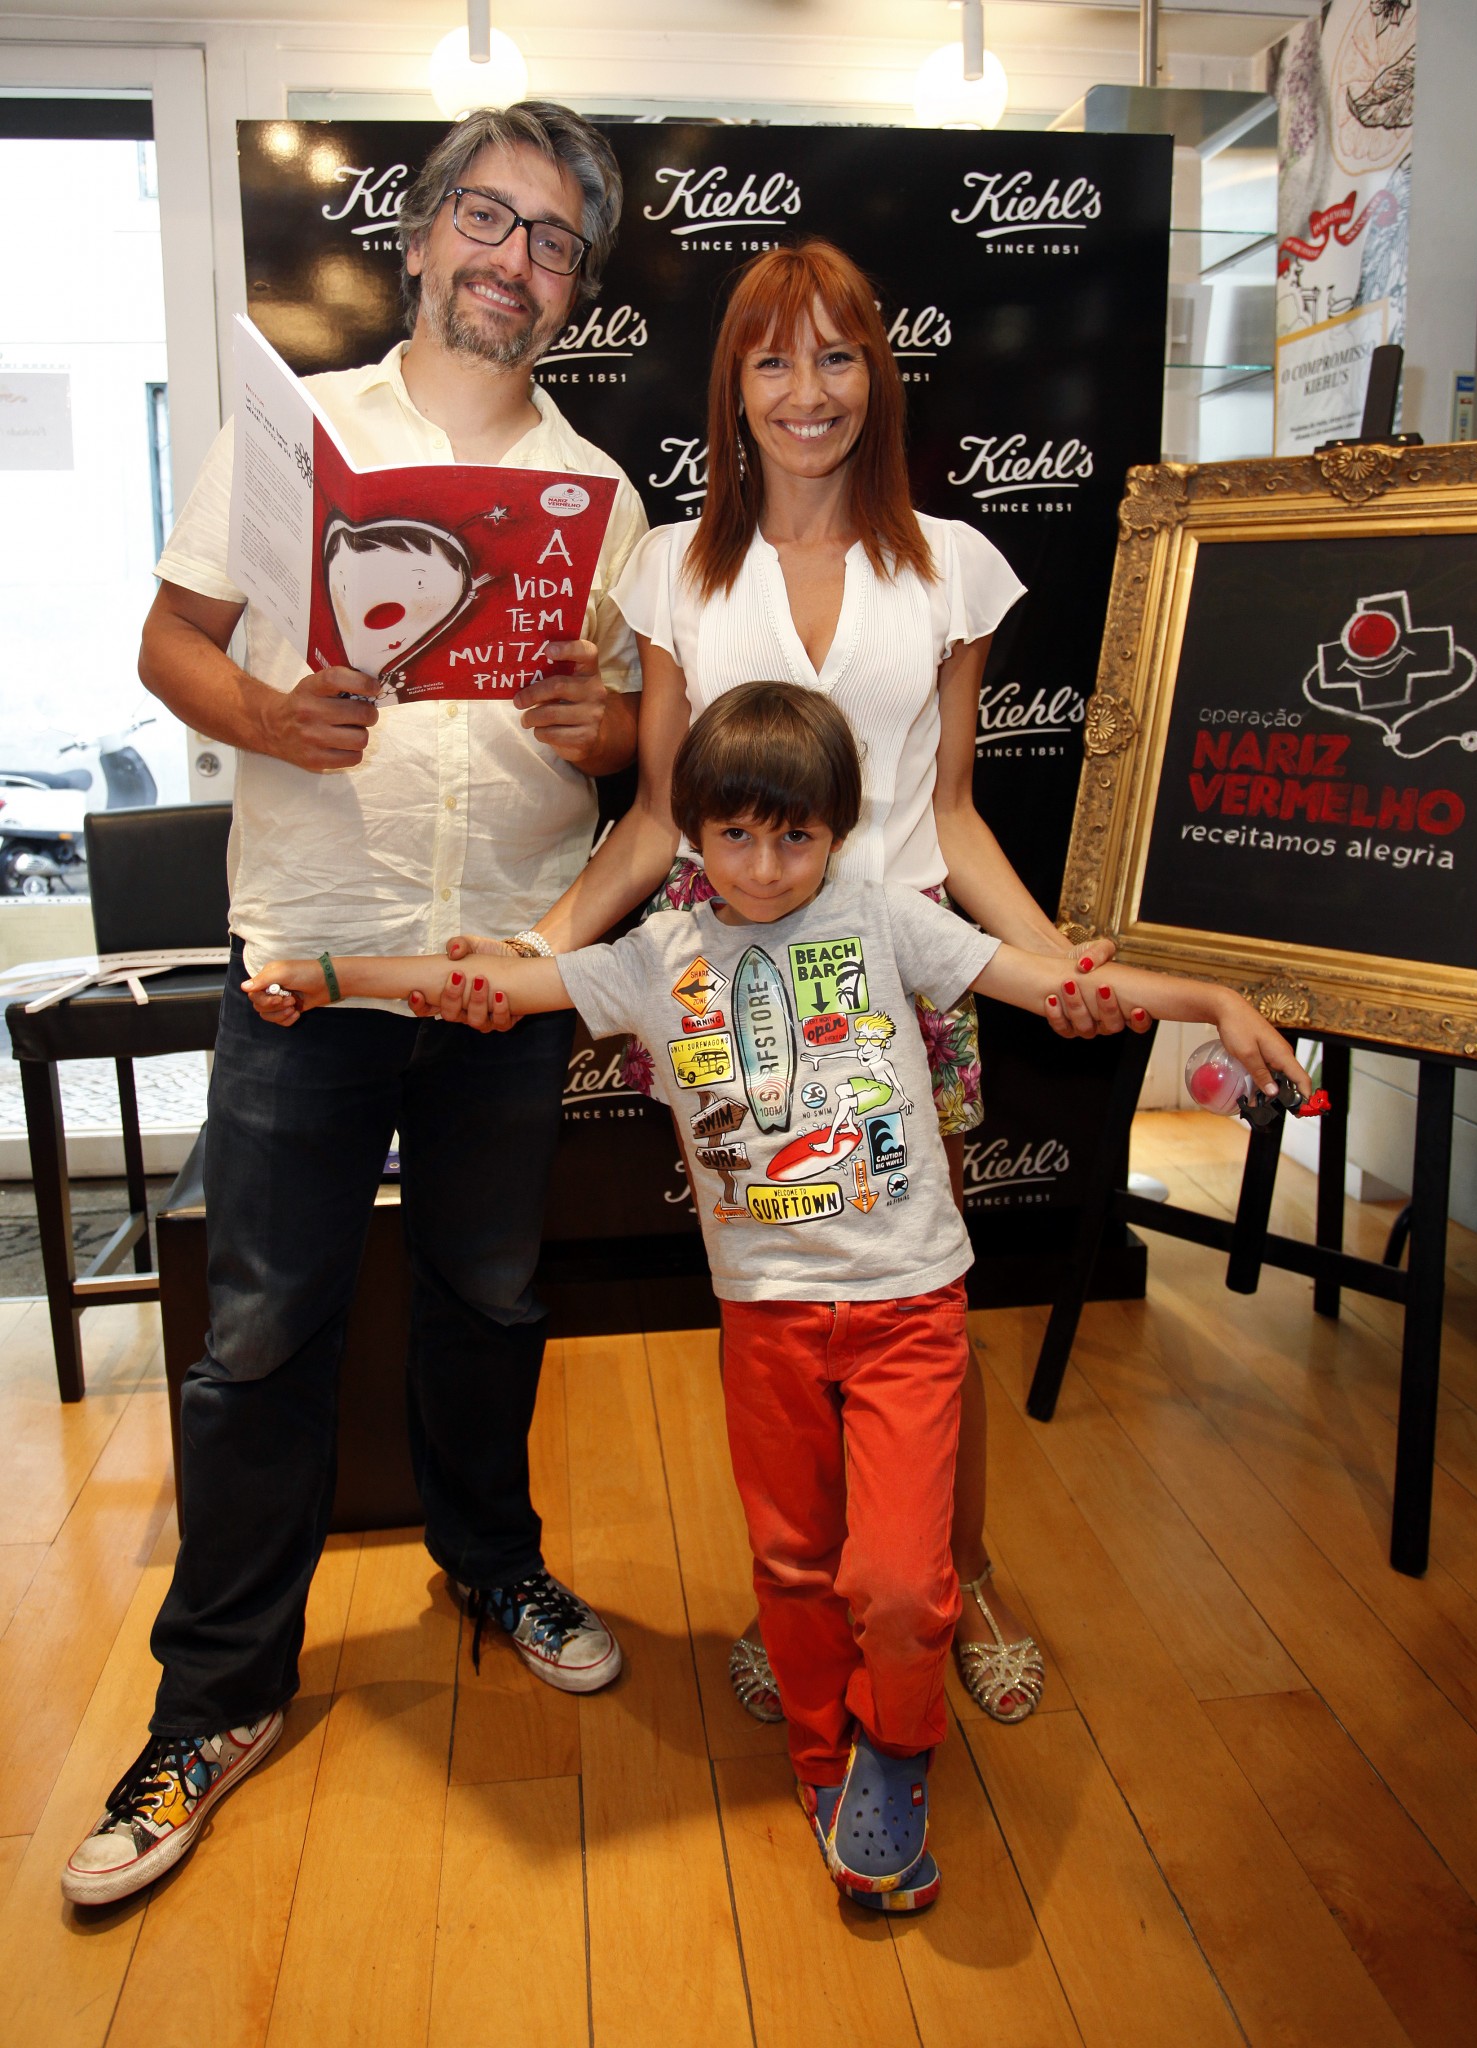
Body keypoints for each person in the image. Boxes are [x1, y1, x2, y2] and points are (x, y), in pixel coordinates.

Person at [243, 680, 1314, 1914]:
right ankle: (824, 1763)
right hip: (764, 1318)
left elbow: (1048, 981)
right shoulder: (657, 955)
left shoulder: (889, 920)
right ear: (693, 830)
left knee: (901, 1582)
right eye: (735, 834)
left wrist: (1212, 1002)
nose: (762, 865)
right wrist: (329, 974)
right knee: (794, 1562)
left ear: (839, 831)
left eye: (794, 834)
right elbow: (499, 986)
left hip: (910, 1307)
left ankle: (898, 1747)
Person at [420, 237, 1146, 1729]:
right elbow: (650, 820)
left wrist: (1054, 957)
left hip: (901, 980)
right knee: (775, 1324)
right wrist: (541, 951)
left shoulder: (950, 563)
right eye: (771, 361)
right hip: (735, 993)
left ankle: (962, 1574)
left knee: (919, 1300)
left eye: (834, 356)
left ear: (876, 374)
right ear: (733, 388)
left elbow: (950, 814)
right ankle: (799, 1597)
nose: (805, 391)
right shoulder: (676, 571)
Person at [61, 101, 650, 1910]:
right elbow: (168, 641)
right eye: (487, 217)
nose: (513, 259)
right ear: (418, 233)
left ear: (574, 287)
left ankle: (488, 1560)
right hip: (309, 958)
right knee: (256, 1337)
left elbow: (635, 730)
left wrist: (609, 727)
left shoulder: (604, 495)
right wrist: (265, 715)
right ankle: (216, 1695)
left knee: (489, 1296)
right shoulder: (291, 434)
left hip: (498, 973)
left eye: (551, 239)